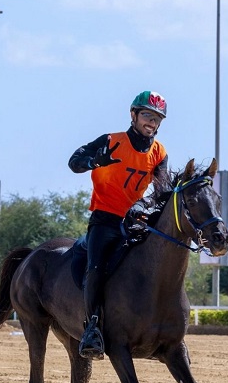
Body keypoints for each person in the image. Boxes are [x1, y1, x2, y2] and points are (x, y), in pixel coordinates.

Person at [68, 90, 169, 360]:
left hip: (135, 221)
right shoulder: (111, 140)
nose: (151, 122)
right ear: (133, 114)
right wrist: (93, 161)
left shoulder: (159, 153)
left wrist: (146, 207)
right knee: (96, 267)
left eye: (157, 119)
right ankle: (92, 329)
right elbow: (73, 162)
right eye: (147, 115)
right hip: (105, 220)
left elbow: (162, 191)